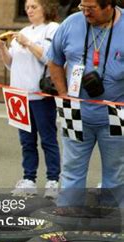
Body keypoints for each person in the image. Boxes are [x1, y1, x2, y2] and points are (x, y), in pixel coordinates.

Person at [48, 0, 124, 205]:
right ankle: (67, 222)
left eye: (91, 9)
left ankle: (113, 225)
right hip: (74, 110)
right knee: (71, 170)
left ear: (109, 5)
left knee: (115, 173)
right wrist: (63, 93)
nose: (85, 13)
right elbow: (54, 60)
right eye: (83, 7)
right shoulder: (71, 23)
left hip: (117, 113)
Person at [0, 0, 61, 198]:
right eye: (27, 8)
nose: (29, 11)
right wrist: (2, 49)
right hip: (19, 95)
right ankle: (29, 179)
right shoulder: (22, 31)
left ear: (45, 8)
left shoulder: (52, 29)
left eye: (34, 7)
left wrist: (28, 43)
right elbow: (10, 64)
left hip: (40, 94)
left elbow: (49, 57)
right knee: (26, 141)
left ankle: (53, 180)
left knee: (48, 139)